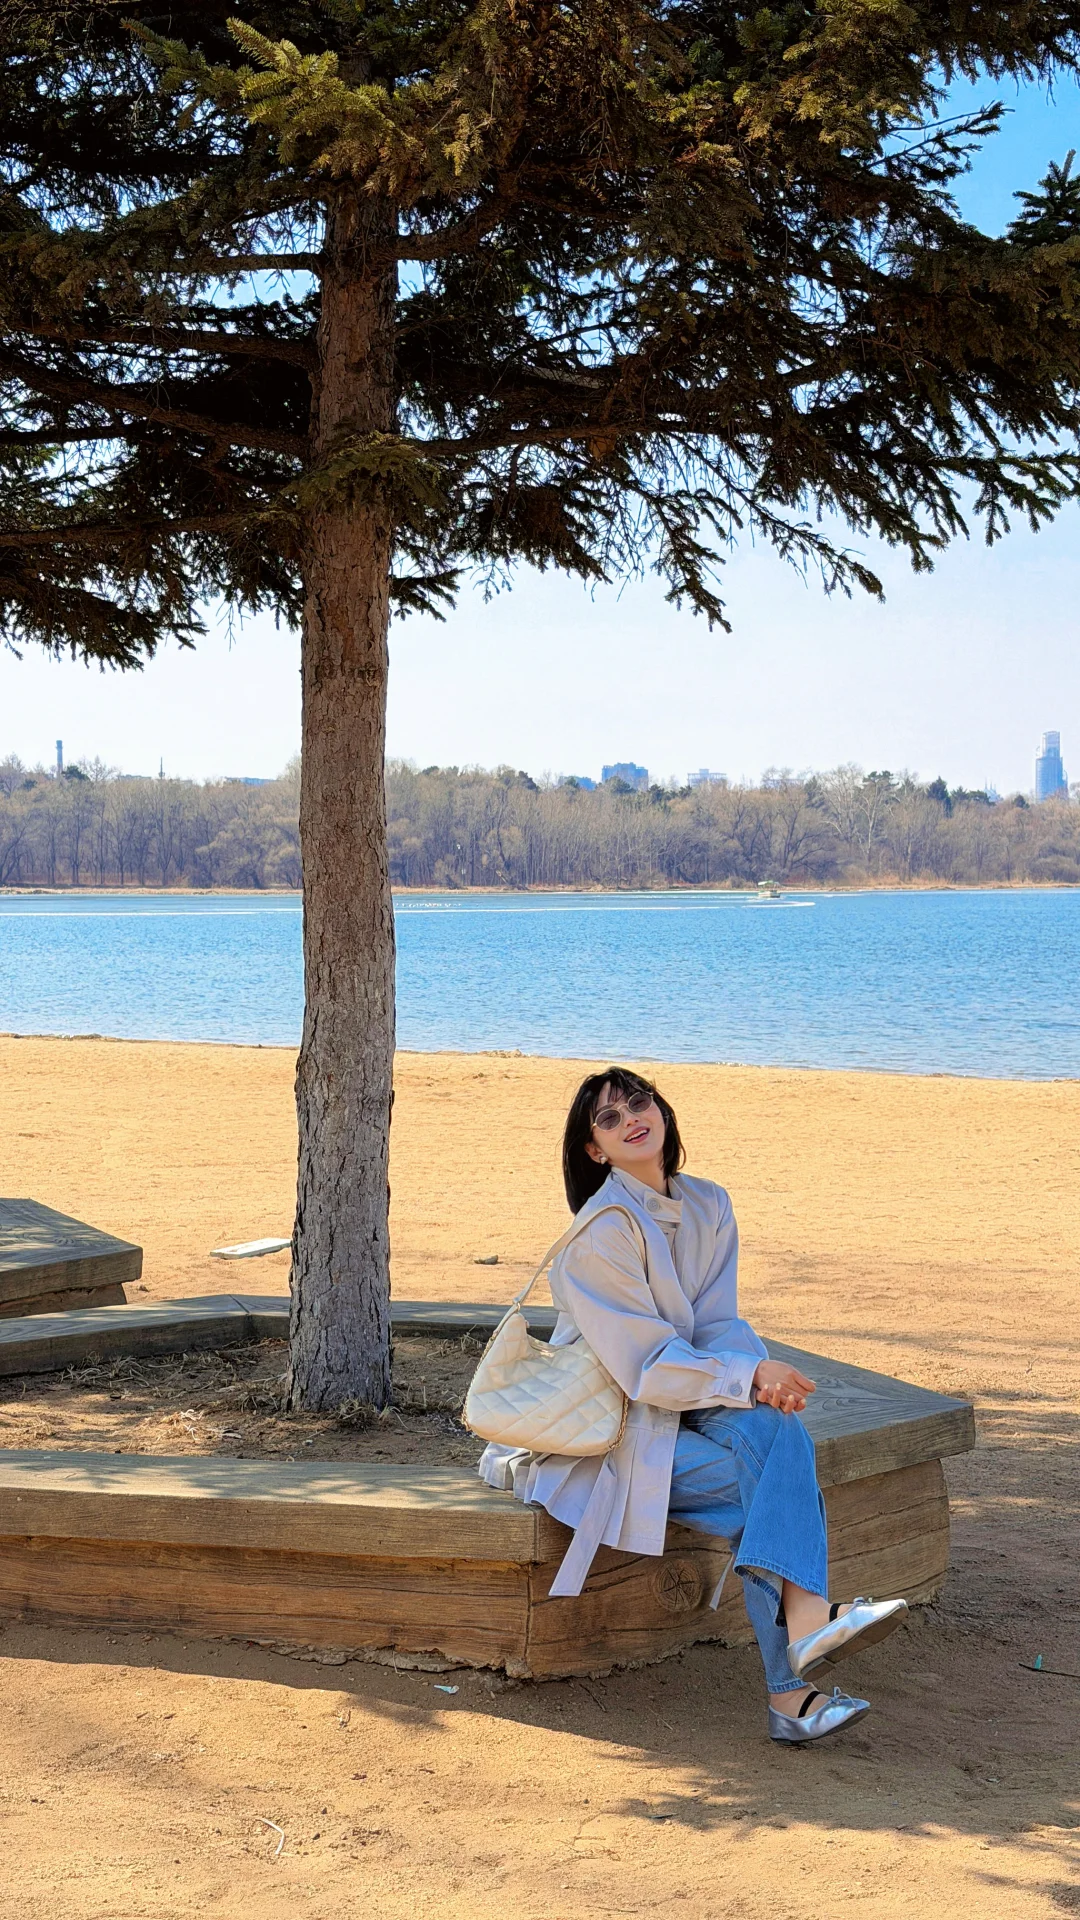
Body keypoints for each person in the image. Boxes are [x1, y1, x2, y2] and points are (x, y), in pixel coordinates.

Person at [478, 1067, 908, 1743]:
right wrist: (745, 1374)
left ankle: (803, 1658)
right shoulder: (600, 1235)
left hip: (686, 1400)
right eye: (610, 1119)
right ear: (595, 1150)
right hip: (614, 1431)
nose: (631, 1120)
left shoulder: (708, 1204)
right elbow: (645, 1367)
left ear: (663, 1111)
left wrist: (755, 1380)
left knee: (777, 1428)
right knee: (765, 1496)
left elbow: (713, 1325)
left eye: (638, 1103)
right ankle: (797, 1673)